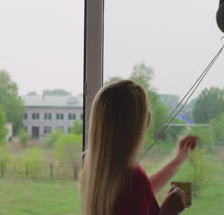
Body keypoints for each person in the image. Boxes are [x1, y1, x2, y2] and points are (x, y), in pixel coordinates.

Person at [81, 80, 199, 215]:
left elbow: (141, 195)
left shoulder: (95, 169)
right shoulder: (132, 179)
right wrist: (169, 210)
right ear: (132, 128)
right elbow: (137, 192)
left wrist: (177, 161)